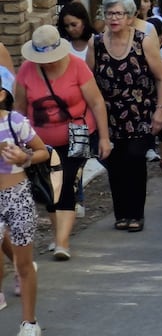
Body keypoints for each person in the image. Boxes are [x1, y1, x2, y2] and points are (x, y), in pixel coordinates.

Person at [15, 25, 110, 262]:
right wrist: (19, 139)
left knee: (66, 182)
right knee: (49, 188)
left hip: (76, 135)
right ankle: (58, 234)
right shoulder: (27, 71)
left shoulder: (77, 67)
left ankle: (62, 242)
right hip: (40, 141)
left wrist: (105, 138)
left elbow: (97, 102)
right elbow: (19, 107)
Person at [88, 0, 162, 234]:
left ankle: (136, 214)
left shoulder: (143, 40)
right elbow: (88, 79)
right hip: (108, 114)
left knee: (134, 159)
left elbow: (161, 77)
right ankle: (121, 213)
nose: (114, 18)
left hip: (140, 112)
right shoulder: (97, 43)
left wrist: (160, 110)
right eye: (109, 13)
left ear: (130, 16)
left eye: (119, 13)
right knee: (114, 164)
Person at [0, 66, 51, 336]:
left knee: (23, 264)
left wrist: (25, 158)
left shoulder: (15, 122)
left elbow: (43, 151)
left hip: (17, 195)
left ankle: (29, 322)